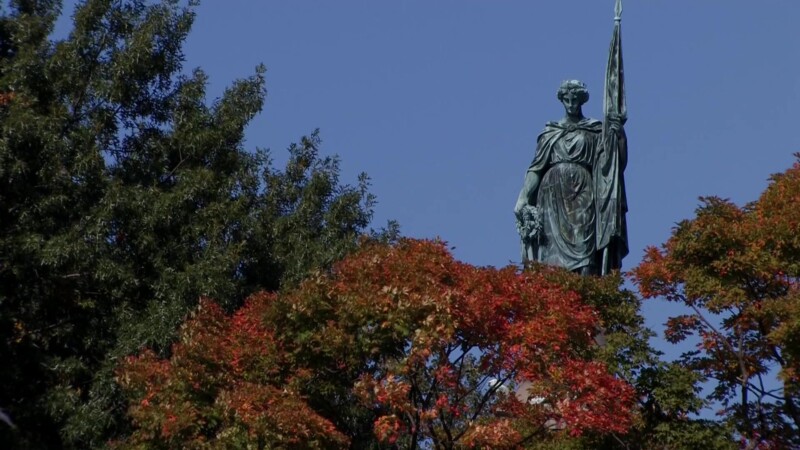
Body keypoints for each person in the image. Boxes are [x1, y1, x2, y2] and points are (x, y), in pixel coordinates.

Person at [514, 80, 628, 276]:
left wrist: (618, 135)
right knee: (551, 256)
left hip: (583, 191)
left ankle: (587, 292)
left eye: (575, 99)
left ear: (582, 101)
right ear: (562, 100)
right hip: (552, 196)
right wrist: (523, 196)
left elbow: (612, 166)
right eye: (567, 100)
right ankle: (556, 296)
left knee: (585, 244)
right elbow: (536, 169)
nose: (571, 103)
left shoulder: (594, 130)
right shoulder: (551, 132)